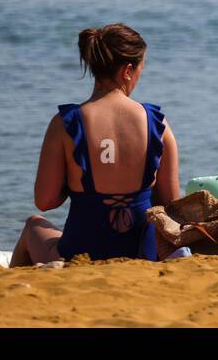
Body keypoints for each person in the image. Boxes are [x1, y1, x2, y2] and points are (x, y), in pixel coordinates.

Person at [11, 24, 179, 265]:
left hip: (78, 254)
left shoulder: (66, 124)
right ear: (128, 71)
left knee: (33, 224)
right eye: (142, 68)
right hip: (140, 256)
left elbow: (45, 201)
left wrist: (75, 181)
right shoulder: (158, 125)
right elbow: (171, 206)